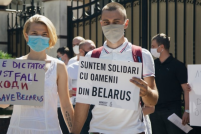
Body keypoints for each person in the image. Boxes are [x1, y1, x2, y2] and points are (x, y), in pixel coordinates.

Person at [0, 14, 74, 134]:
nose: (39, 37)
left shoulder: (58, 66)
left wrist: (74, 131)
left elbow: (65, 105)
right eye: (34, 33)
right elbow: (5, 103)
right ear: (26, 35)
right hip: (17, 129)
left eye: (44, 34)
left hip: (49, 129)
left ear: (50, 36)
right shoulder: (15, 65)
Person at [71, 2, 159, 134]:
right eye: (106, 22)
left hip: (133, 131)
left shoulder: (141, 55)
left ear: (126, 23)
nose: (111, 26)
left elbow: (152, 101)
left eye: (116, 21)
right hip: (98, 130)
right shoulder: (91, 57)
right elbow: (83, 102)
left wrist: (146, 92)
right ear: (101, 24)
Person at [149, 33, 190, 134]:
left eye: (153, 46)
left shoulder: (178, 66)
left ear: (161, 47)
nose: (151, 49)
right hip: (155, 111)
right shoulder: (152, 65)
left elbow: (186, 89)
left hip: (172, 112)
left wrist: (187, 111)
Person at [67, 40, 96, 134]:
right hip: (78, 107)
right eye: (90, 48)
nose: (93, 50)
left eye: (94, 48)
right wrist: (68, 93)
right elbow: (63, 90)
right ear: (81, 51)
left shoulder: (100, 67)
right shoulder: (71, 68)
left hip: (95, 108)